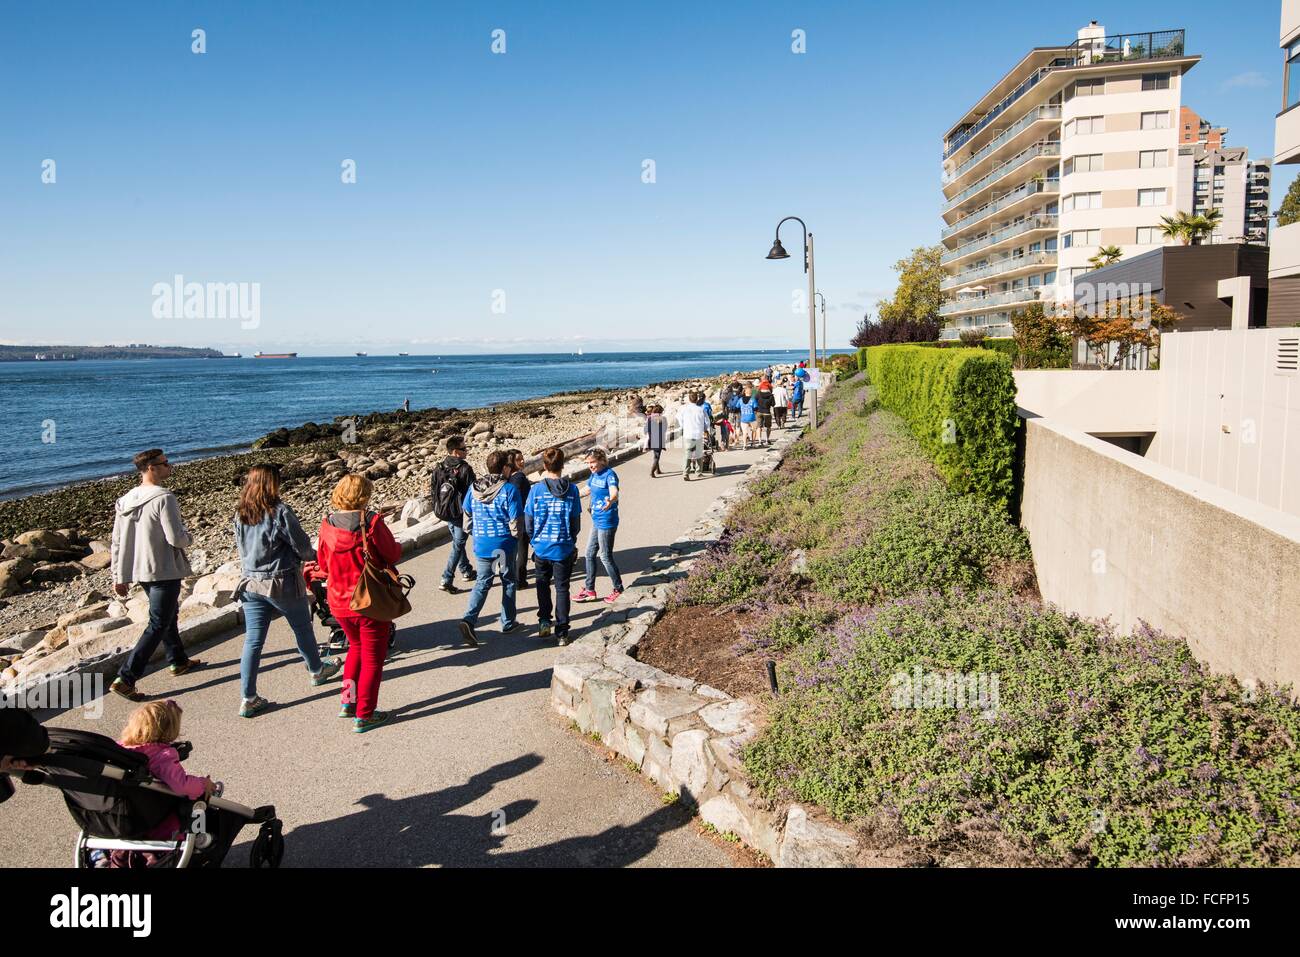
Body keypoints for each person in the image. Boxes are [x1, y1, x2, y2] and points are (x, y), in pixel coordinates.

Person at [233, 464, 342, 718]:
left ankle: (248, 697)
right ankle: (316, 671)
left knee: (253, 640)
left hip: (250, 583)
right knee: (302, 629)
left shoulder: (240, 513)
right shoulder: (279, 511)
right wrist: (315, 557)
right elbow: (301, 545)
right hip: (281, 581)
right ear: (273, 484)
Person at [109, 449, 202, 702]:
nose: (169, 466)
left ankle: (178, 660)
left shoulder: (125, 500)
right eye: (165, 463)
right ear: (151, 468)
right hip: (163, 567)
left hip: (140, 570)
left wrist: (119, 575)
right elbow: (175, 538)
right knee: (158, 622)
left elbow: (117, 541)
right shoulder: (164, 498)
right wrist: (190, 537)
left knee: (167, 614)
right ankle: (126, 678)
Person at [317, 474, 402, 733]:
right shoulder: (372, 522)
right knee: (374, 659)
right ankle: (365, 713)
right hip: (368, 598)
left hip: (338, 599)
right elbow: (391, 553)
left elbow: (322, 564)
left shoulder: (327, 524)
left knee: (355, 648)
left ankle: (348, 701)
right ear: (364, 495)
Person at [113, 700, 214, 865]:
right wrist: (203, 784)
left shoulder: (121, 751)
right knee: (197, 800)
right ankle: (198, 839)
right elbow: (181, 785)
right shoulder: (161, 755)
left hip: (122, 811)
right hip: (154, 813)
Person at [458, 450, 525, 647]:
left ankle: (469, 619)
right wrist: (516, 537)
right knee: (508, 581)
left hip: (482, 542)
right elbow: (515, 520)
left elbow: (467, 514)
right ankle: (508, 621)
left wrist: (473, 532)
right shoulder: (509, 490)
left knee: (483, 581)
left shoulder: (474, 488)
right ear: (505, 468)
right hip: (503, 543)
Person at [525, 446, 582, 645]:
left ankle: (543, 621)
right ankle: (562, 632)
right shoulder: (572, 490)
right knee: (562, 588)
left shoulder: (536, 490)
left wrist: (534, 540)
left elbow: (529, 521)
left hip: (541, 546)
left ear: (544, 465)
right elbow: (576, 522)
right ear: (562, 465)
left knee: (542, 584)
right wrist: (571, 540)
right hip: (563, 545)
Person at [574, 447, 623, 604]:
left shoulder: (609, 475)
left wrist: (611, 499)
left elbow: (614, 491)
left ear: (601, 460)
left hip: (607, 521)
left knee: (605, 556)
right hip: (596, 520)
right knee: (589, 554)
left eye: (593, 462)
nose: (591, 466)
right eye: (588, 463)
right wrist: (570, 493)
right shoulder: (594, 475)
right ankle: (590, 590)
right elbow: (587, 489)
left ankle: (618, 589)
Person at [431, 435, 477, 594]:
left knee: (459, 542)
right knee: (458, 544)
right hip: (460, 513)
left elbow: (434, 490)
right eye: (464, 449)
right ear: (456, 452)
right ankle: (446, 578)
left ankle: (466, 570)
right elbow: (473, 493)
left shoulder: (439, 467)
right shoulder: (465, 469)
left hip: (444, 511)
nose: (467, 451)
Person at [506, 449, 532, 588]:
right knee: (522, 549)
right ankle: (520, 579)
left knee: (512, 548)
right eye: (518, 459)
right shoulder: (519, 478)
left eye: (522, 458)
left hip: (508, 516)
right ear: (512, 462)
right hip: (521, 516)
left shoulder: (507, 477)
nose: (522, 461)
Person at [679, 391, 711, 481]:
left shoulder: (684, 409)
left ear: (689, 399)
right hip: (698, 434)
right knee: (699, 454)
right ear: (696, 399)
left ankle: (686, 473)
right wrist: (705, 429)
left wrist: (683, 427)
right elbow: (707, 421)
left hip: (688, 434)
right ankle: (698, 472)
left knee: (687, 454)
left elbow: (679, 419)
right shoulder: (701, 410)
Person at [645, 404, 668, 478]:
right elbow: (664, 429)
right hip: (659, 439)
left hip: (652, 439)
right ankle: (652, 471)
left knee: (655, 455)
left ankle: (658, 470)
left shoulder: (649, 418)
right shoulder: (663, 418)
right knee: (657, 457)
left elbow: (646, 430)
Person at [755, 381, 776, 446]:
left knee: (759, 427)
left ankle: (759, 440)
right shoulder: (771, 396)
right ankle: (767, 439)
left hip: (759, 412)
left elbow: (754, 402)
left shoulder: (758, 394)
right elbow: (773, 404)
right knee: (768, 427)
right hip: (767, 412)